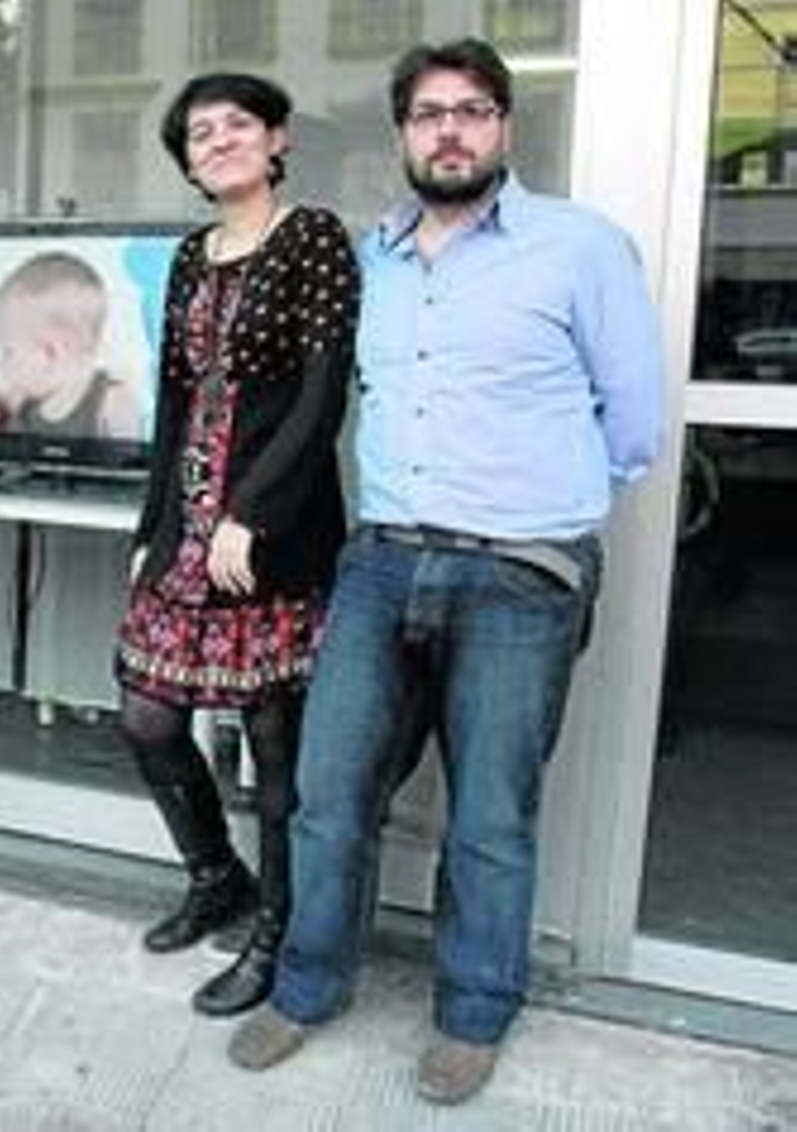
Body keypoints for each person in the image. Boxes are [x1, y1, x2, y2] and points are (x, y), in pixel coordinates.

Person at [228, 39, 666, 1105]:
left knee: (489, 815)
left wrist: (541, 512)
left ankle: (473, 1013)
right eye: (429, 114)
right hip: (380, 564)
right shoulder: (368, 262)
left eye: (472, 110)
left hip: (519, 575)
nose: (451, 131)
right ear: (404, 135)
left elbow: (634, 421)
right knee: (329, 795)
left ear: (504, 126)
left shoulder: (580, 247)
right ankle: (307, 987)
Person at [114, 73, 358, 1020]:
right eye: (199, 133)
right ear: (186, 160)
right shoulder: (190, 254)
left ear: (277, 138)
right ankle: (217, 877)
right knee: (148, 716)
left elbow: (321, 398)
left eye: (237, 125)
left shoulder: (315, 237)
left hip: (274, 533)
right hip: (186, 528)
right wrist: (153, 528)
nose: (218, 141)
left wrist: (249, 514)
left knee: (275, 744)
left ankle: (279, 933)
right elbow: (174, 402)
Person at [0, 251, 141, 440]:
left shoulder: (110, 401)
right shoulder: (19, 404)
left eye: (8, 351)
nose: (1, 364)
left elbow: (133, 454)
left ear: (50, 353)